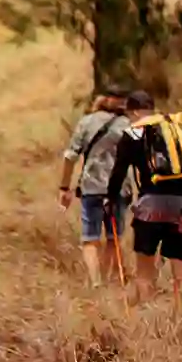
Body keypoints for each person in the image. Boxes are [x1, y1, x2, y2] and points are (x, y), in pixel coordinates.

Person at [105, 90, 182, 318]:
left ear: (135, 111)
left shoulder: (133, 134)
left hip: (150, 207)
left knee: (145, 272)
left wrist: (111, 200)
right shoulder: (178, 131)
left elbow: (119, 172)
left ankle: (150, 323)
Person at [57, 89, 131, 288]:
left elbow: (70, 156)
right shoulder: (127, 124)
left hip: (91, 187)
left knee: (90, 238)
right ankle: (107, 280)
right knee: (113, 238)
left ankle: (95, 281)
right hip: (119, 189)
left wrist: (64, 186)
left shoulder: (87, 122)